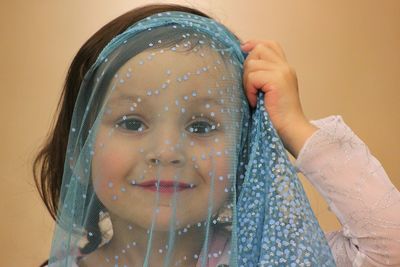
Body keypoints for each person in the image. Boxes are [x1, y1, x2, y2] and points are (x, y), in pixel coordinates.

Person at [34, 4, 400, 267]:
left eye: (201, 126)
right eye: (132, 122)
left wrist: (293, 125)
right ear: (78, 155)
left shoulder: (278, 256)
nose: (166, 152)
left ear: (245, 153)